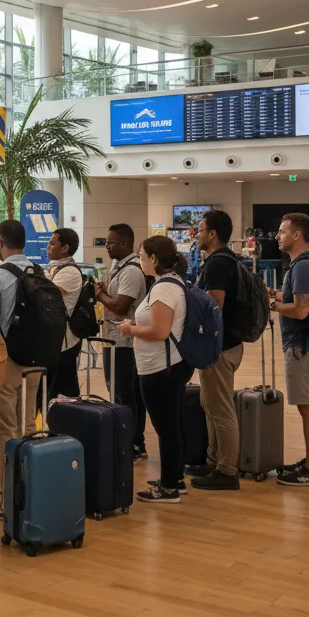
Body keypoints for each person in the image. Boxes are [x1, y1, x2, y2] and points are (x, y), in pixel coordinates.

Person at [116, 236, 192, 504]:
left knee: (167, 427)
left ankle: (169, 486)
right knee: (171, 424)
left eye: (142, 255)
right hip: (166, 366)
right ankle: (174, 479)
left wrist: (130, 329)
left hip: (161, 368)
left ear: (154, 259)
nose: (140, 259)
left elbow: (160, 331)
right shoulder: (168, 285)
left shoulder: (163, 290)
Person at [0, 219, 41, 519]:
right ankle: (31, 490)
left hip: (7, 362)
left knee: (4, 429)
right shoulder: (38, 272)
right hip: (35, 362)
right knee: (28, 425)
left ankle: (8, 498)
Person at [268, 213, 309, 487]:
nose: (277, 236)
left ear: (297, 235)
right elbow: (299, 300)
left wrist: (274, 306)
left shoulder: (303, 267)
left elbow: (302, 310)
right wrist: (278, 295)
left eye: (282, 232)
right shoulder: (302, 265)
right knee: (307, 405)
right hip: (306, 344)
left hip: (305, 347)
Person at [190, 209, 242, 491]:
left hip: (220, 348)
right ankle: (214, 460)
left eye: (200, 230)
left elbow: (214, 308)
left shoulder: (216, 265)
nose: (196, 235)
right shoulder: (228, 260)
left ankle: (227, 469)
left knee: (220, 408)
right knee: (209, 403)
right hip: (225, 346)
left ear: (212, 234)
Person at [96, 224, 148, 461]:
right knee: (121, 391)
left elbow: (120, 306)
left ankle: (134, 443)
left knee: (126, 394)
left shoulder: (131, 271)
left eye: (112, 242)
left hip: (126, 343)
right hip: (114, 340)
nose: (107, 245)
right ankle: (130, 440)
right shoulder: (119, 267)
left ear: (126, 243)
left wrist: (100, 296)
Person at [44, 228, 84, 401]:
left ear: (65, 248)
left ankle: (69, 426)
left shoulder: (70, 272)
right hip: (54, 339)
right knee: (52, 390)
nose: (48, 246)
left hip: (65, 341)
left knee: (64, 392)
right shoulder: (53, 268)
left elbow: (47, 296)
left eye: (53, 243)